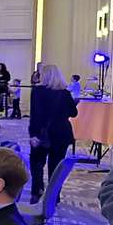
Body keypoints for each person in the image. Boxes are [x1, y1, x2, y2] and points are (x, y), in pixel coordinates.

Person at [28, 63, 78, 203]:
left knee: (37, 163)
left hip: (42, 133)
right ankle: (54, 195)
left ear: (44, 76)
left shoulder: (37, 92)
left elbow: (35, 115)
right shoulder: (65, 93)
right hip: (61, 133)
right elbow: (73, 113)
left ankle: (37, 191)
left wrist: (33, 134)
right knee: (56, 166)